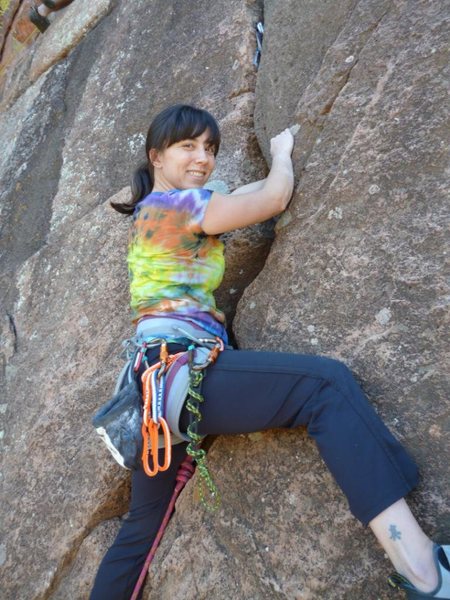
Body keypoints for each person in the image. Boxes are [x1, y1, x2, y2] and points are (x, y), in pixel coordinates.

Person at [90, 104, 449, 600]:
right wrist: (281, 153)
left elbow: (232, 197)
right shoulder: (178, 207)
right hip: (178, 373)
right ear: (156, 155)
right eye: (188, 146)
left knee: (141, 529)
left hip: (154, 393)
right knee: (326, 386)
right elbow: (274, 196)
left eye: (210, 148)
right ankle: (424, 571)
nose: (203, 157)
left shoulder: (160, 211)